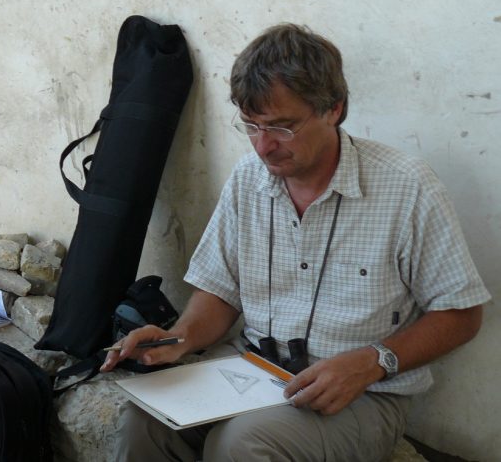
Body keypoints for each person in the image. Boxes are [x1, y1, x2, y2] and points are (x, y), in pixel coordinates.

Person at [102, 23, 490, 461]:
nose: (264, 146)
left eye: (282, 127)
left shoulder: (407, 188)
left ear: (334, 109)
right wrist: (178, 339)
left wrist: (373, 360)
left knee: (242, 444)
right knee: (144, 422)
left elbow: (462, 314)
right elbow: (220, 289)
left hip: (361, 393)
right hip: (251, 371)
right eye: (250, 126)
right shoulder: (248, 180)